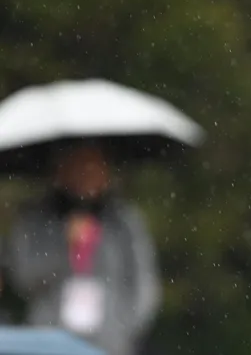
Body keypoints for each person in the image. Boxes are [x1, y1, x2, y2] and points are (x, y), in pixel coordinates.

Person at [4, 140, 161, 355]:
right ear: (61, 170)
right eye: (77, 165)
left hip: (111, 342)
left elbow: (143, 284)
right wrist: (63, 248)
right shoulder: (36, 220)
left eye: (93, 166)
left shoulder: (124, 222)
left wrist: (123, 327)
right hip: (49, 340)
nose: (85, 174)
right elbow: (23, 276)